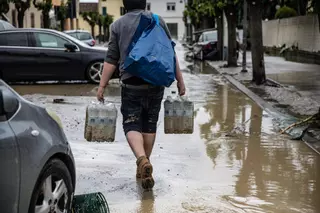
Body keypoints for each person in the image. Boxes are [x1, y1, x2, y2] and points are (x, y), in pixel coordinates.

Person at [97, 0, 186, 189]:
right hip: (156, 81)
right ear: (145, 3)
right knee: (149, 123)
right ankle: (145, 164)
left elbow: (111, 59)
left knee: (131, 122)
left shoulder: (118, 24)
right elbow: (170, 52)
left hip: (131, 82)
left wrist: (102, 85)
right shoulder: (158, 20)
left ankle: (141, 159)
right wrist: (180, 80)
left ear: (125, 4)